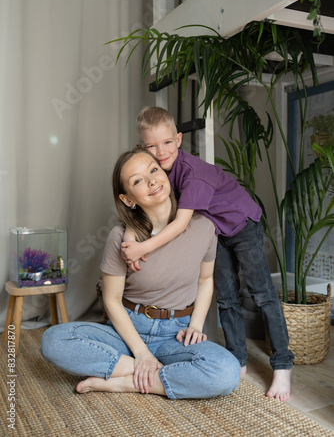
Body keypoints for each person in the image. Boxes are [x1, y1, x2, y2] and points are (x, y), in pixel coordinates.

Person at [121, 106, 294, 402]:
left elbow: (181, 223)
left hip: (242, 224)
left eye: (166, 142)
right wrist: (129, 237)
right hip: (215, 232)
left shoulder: (193, 173)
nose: (160, 152)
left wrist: (142, 247)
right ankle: (238, 358)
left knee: (262, 293)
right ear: (141, 147)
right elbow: (139, 209)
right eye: (151, 146)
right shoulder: (157, 173)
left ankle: (282, 365)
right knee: (226, 297)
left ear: (178, 139)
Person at [40, 148, 240, 399]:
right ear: (128, 199)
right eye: (137, 180)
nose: (151, 180)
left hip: (175, 334)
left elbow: (205, 279)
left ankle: (126, 382)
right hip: (128, 330)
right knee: (54, 340)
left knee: (227, 372)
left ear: (165, 173)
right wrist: (142, 354)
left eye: (154, 170)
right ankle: (145, 370)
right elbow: (111, 300)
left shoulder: (204, 227)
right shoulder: (120, 238)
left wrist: (196, 325)